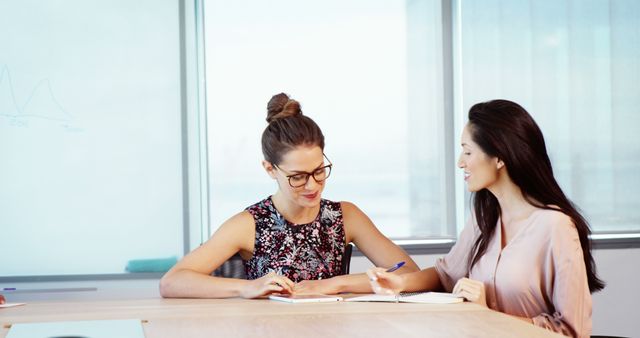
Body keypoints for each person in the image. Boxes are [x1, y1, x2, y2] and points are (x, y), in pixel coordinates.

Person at [367, 99, 604, 338]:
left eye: (468, 151)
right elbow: (445, 275)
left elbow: (574, 332)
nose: (461, 162)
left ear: (499, 157)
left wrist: (487, 313)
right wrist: (400, 284)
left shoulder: (556, 227)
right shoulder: (483, 219)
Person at [160, 93, 418, 299]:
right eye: (297, 177)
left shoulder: (345, 216)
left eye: (319, 171)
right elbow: (173, 282)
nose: (312, 186)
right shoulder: (249, 224)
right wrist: (245, 288)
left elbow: (409, 274)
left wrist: (336, 284)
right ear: (270, 169)